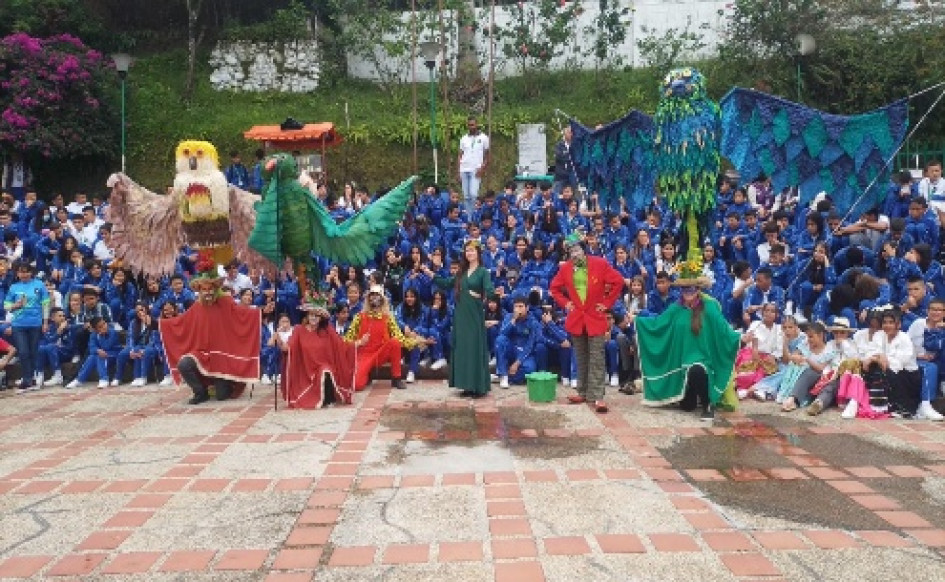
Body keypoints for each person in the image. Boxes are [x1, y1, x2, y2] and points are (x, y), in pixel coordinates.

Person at [636, 262, 740, 420]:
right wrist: (638, 320)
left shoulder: (710, 308)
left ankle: (707, 405)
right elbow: (658, 324)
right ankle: (692, 396)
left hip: (703, 361)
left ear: (698, 290)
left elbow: (723, 330)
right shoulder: (675, 308)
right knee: (687, 407)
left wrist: (739, 337)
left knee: (697, 370)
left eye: (692, 288)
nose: (688, 292)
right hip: (681, 363)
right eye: (684, 289)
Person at [160, 253, 261, 404]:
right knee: (184, 364)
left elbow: (241, 313)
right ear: (199, 290)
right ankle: (200, 392)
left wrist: (262, 312)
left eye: (210, 289)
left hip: (221, 355)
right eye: (204, 289)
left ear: (215, 288)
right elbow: (181, 321)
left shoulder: (225, 302)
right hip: (201, 353)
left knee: (222, 396)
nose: (207, 292)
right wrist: (160, 323)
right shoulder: (197, 306)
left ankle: (224, 384)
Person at [549, 232, 625, 413]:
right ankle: (582, 391)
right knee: (581, 356)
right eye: (570, 251)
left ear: (583, 249)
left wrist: (606, 304)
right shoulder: (566, 268)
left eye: (576, 250)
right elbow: (554, 288)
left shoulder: (599, 263)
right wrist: (566, 303)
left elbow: (618, 282)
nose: (574, 254)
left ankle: (597, 396)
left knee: (597, 357)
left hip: (595, 318)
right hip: (577, 318)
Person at [423, 239, 494, 397]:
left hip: (474, 314)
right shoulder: (462, 271)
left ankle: (478, 386)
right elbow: (448, 283)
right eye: (467, 250)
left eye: (472, 250)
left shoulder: (483, 272)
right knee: (463, 348)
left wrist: (482, 295)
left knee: (474, 347)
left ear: (478, 253)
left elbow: (490, 291)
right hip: (461, 314)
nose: (469, 253)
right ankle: (466, 385)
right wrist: (432, 274)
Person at [282, 298, 364, 409]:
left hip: (325, 367)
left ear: (321, 318)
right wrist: (279, 338)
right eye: (311, 314)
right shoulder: (298, 330)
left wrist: (358, 343)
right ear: (307, 316)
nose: (313, 317)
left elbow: (340, 345)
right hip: (306, 373)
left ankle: (328, 399)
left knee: (325, 371)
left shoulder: (327, 330)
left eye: (317, 315)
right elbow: (289, 347)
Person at [344, 285, 415, 390]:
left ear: (382, 299)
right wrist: (359, 342)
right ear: (368, 299)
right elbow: (347, 339)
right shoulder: (359, 317)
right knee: (357, 385)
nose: (374, 298)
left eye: (377, 296)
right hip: (364, 355)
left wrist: (415, 342)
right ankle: (368, 374)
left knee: (395, 342)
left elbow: (399, 336)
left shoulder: (387, 317)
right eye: (372, 296)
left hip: (380, 353)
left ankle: (396, 378)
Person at [4, 261, 50, 391]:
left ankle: (34, 378)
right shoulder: (14, 287)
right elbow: (6, 306)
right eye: (21, 272)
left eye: (26, 271)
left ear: (31, 272)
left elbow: (45, 304)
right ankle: (27, 378)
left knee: (33, 351)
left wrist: (45, 322)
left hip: (35, 323)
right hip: (18, 324)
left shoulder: (39, 285)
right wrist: (15, 306)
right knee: (23, 352)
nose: (23, 274)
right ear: (17, 273)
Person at [457, 116, 490, 218]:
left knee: (473, 194)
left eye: (473, 124)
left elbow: (488, 156)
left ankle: (475, 215)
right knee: (466, 196)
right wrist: (458, 171)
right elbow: (460, 155)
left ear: (477, 124)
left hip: (475, 170)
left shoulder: (484, 138)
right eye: (469, 125)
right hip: (464, 169)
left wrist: (482, 168)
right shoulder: (464, 138)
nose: (471, 127)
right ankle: (469, 219)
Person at [552, 126, 576, 197]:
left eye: (572, 133)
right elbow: (559, 156)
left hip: (572, 175)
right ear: (564, 134)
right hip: (560, 175)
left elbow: (577, 158)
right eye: (569, 133)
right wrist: (569, 156)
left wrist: (568, 155)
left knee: (572, 195)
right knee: (557, 194)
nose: (571, 134)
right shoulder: (559, 145)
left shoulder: (575, 145)